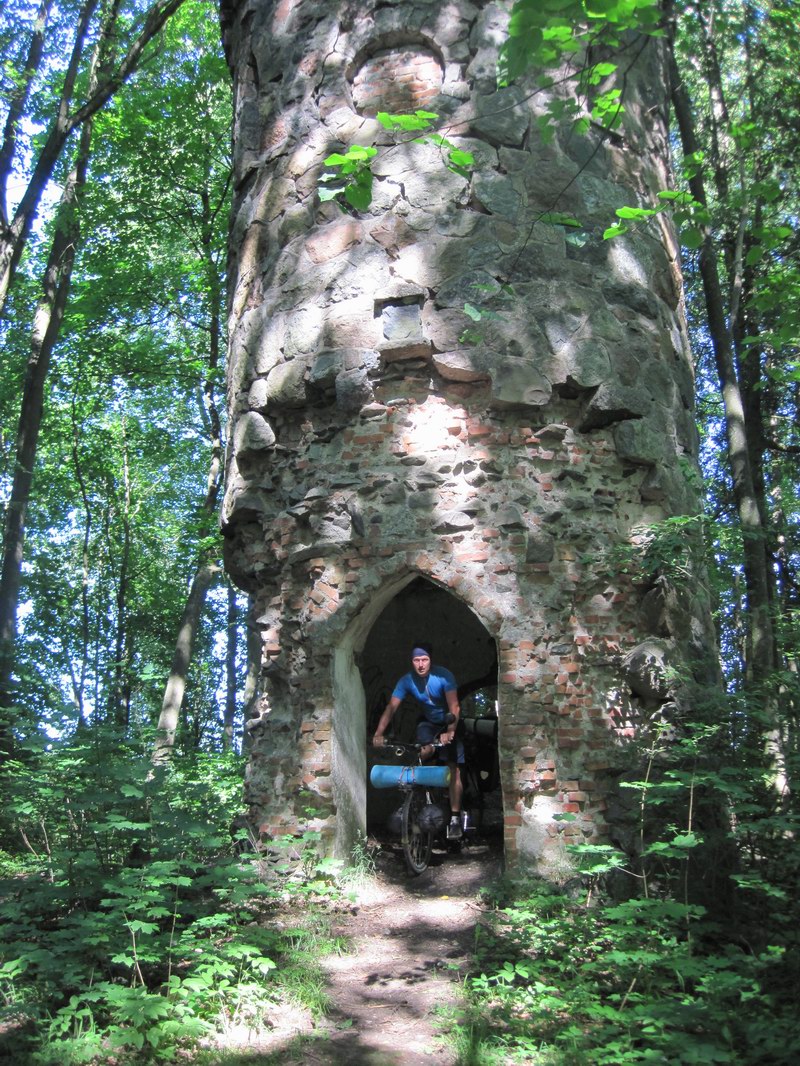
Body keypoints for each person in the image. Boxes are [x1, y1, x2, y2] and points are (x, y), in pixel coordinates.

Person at [372, 642, 464, 839]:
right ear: (411, 662)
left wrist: (450, 731)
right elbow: (391, 708)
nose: (421, 664)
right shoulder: (407, 681)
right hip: (428, 723)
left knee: (453, 767)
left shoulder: (443, 676)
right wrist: (378, 733)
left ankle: (455, 818)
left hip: (449, 723)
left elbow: (454, 707)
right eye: (416, 660)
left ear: (431, 660)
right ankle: (422, 800)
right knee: (422, 752)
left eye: (424, 660)